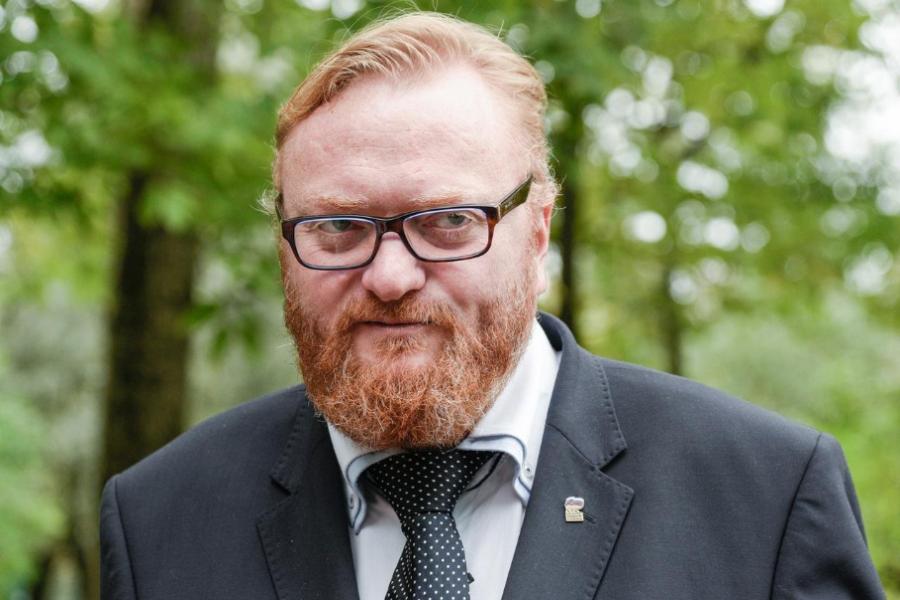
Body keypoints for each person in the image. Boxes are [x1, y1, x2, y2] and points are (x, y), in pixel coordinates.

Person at [100, 11, 885, 600]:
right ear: (284, 245)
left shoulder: (768, 498)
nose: (391, 277)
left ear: (537, 231)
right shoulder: (159, 519)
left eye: (448, 221)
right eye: (338, 227)